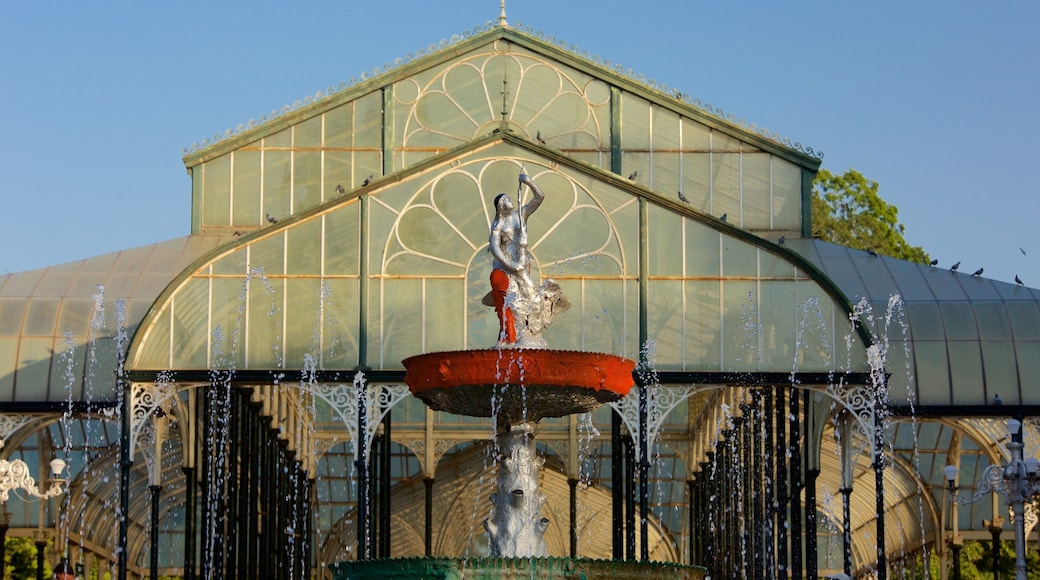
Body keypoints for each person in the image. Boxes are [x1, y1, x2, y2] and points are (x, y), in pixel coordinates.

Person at [485, 171, 569, 347]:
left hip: (522, 263)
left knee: (528, 296)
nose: (509, 200)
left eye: (509, 198)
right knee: (511, 301)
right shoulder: (498, 225)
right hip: (506, 267)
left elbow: (540, 197)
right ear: (500, 206)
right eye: (505, 199)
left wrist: (528, 182)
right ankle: (511, 335)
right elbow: (494, 247)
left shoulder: (521, 215)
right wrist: (509, 264)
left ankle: (530, 330)